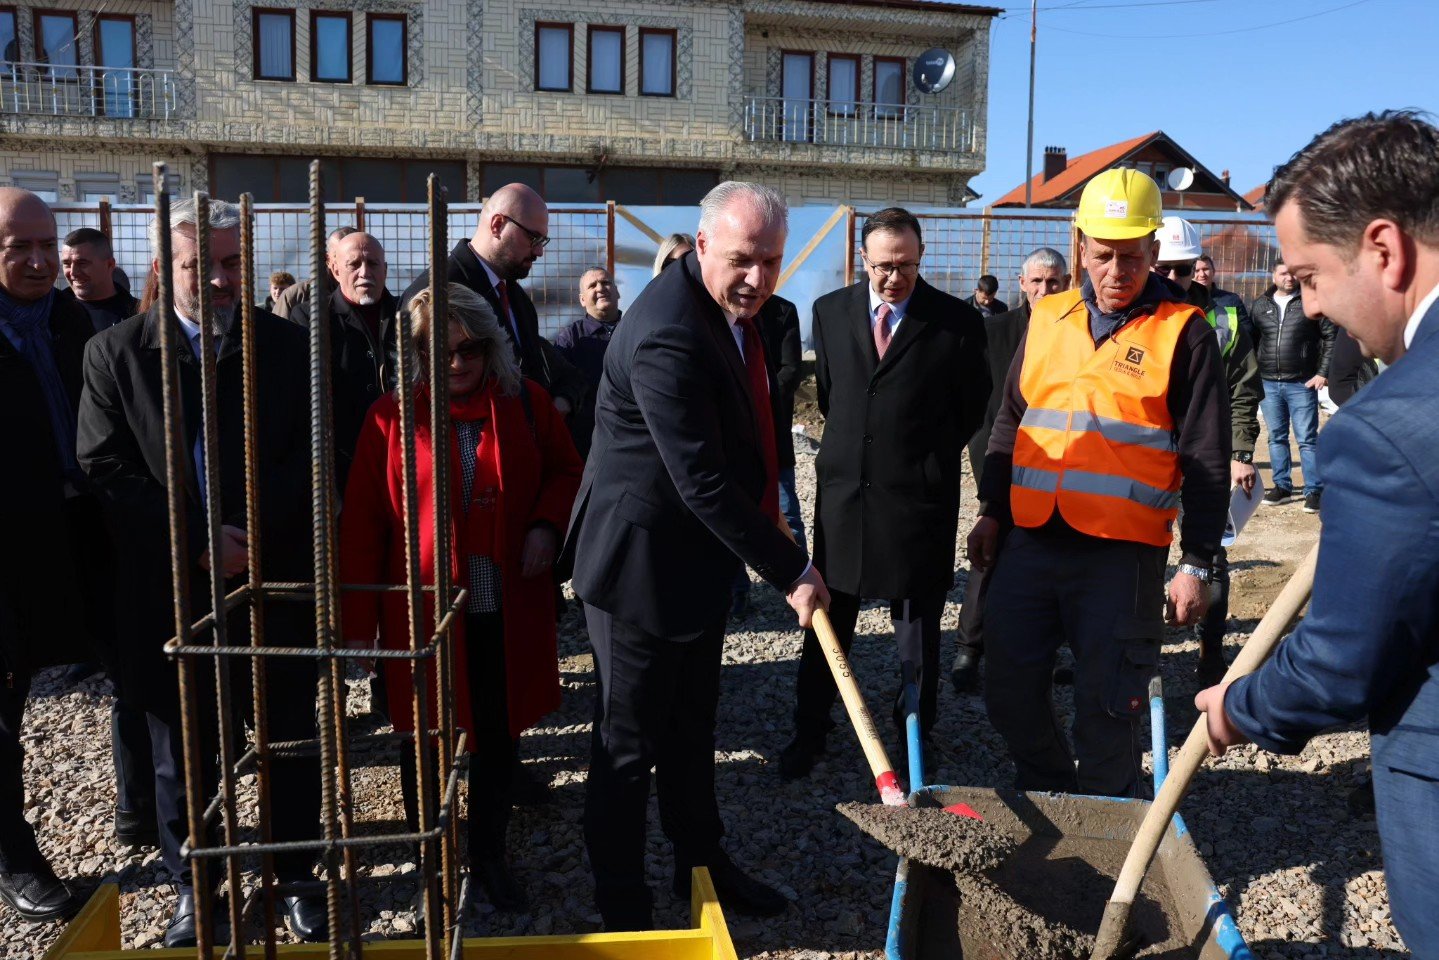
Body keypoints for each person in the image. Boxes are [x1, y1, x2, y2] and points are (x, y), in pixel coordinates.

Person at [1194, 110, 1439, 958]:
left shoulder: (1389, 427)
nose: (1307, 304)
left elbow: (1340, 663)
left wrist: (1242, 706)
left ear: (1383, 249)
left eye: (1306, 275)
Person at [562, 181, 827, 931]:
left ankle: (700, 866)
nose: (759, 277)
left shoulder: (732, 310)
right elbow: (700, 479)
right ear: (702, 244)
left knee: (691, 727)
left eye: (772, 261)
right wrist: (790, 568)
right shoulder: (668, 331)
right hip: (638, 564)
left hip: (696, 559)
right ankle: (621, 905)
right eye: (743, 259)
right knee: (627, 742)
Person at [77, 197, 327, 946]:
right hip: (170, 585)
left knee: (286, 734)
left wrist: (249, 532)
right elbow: (105, 465)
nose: (219, 280)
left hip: (272, 575)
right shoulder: (116, 353)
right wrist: (193, 540)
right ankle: (198, 883)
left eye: (231, 263)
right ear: (163, 268)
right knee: (182, 746)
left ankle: (294, 874)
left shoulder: (285, 347)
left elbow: (316, 451)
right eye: (200, 266)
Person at [969, 168, 1230, 799]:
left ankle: (1108, 825)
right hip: (1030, 539)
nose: (1117, 271)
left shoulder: (1183, 332)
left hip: (1121, 555)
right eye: (1105, 255)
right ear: (1081, 243)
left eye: (1133, 257)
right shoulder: (1048, 316)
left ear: (1153, 251)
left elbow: (1205, 454)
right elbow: (1012, 420)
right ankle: (1051, 789)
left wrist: (1196, 560)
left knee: (1109, 707)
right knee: (1006, 687)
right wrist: (991, 511)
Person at [341, 283, 581, 912]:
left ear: (490, 346)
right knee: (423, 738)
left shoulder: (525, 403)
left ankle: (490, 855)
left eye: (470, 348)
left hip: (502, 606)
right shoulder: (389, 418)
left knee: (497, 737)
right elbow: (365, 521)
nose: (457, 362)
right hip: (421, 611)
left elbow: (567, 470)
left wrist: (544, 526)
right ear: (415, 353)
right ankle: (432, 857)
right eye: (437, 350)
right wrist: (357, 624)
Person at [781, 207, 988, 778]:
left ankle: (917, 735)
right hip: (845, 498)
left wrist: (919, 455)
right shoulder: (829, 313)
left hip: (917, 501)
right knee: (827, 619)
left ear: (919, 260)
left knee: (917, 634)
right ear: (863, 261)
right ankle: (810, 729)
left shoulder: (956, 322)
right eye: (883, 266)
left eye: (906, 265)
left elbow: (971, 406)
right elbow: (831, 396)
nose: (894, 277)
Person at [0, 188, 101, 923]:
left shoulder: (74, 323)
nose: (40, 262)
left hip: (74, 536)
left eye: (46, 246)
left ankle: (151, 822)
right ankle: (15, 857)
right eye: (18, 249)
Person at [953, 246, 1070, 694]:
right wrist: (985, 461)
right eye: (1037, 282)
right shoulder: (994, 332)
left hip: (1059, 463)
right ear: (1021, 284)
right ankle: (969, 649)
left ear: (1066, 284)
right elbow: (977, 403)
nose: (1045, 290)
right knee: (990, 547)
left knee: (1054, 557)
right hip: (999, 457)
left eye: (1054, 282)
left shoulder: (1078, 331)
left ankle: (1052, 650)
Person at [1153, 217, 1263, 684]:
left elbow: (1243, 386)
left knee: (1209, 557)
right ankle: (1133, 654)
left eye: (1183, 269)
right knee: (1139, 556)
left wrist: (1240, 451)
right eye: (1165, 269)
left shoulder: (1225, 314)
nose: (1175, 280)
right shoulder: (1135, 310)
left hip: (1206, 458)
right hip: (1147, 458)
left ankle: (1210, 654)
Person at [403, 183, 587, 419]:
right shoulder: (435, 294)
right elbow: (417, 395)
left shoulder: (515, 296)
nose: (539, 252)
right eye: (533, 238)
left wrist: (559, 402)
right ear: (498, 224)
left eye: (543, 241)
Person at [287, 231, 398, 487]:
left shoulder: (408, 314)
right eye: (354, 264)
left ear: (385, 269)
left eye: (372, 263)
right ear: (335, 270)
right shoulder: (311, 319)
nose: (364, 272)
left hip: (401, 457)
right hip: (339, 469)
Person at [730, 288, 805, 619]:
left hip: (773, 428)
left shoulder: (782, 311)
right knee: (732, 513)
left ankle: (799, 579)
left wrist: (758, 394)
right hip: (734, 431)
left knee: (786, 511)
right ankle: (737, 591)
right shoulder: (725, 309)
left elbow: (791, 369)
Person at [1250, 260, 1336, 513]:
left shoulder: (1310, 303)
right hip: (1268, 383)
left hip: (1301, 382)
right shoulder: (1260, 305)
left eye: (1293, 273)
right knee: (1276, 437)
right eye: (1283, 273)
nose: (1289, 277)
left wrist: (1322, 372)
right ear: (1273, 275)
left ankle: (1313, 490)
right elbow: (1253, 342)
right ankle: (1282, 487)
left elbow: (1330, 336)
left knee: (1307, 439)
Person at [553, 267, 621, 459]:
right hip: (587, 445)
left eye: (606, 282)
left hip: (632, 438)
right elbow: (561, 385)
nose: (600, 288)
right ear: (582, 299)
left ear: (617, 291)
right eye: (592, 285)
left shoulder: (634, 328)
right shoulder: (570, 339)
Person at [59, 228, 137, 333]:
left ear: (109, 265)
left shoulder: (137, 315)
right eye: (67, 264)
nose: (73, 272)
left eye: (82, 263)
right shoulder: (50, 311)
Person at [272, 226, 357, 317]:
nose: (347, 260)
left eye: (354, 255)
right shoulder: (297, 296)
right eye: (339, 255)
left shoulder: (370, 294)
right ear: (328, 259)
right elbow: (278, 330)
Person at [1193, 254, 1255, 345]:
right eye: (1197, 270)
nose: (1202, 274)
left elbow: (1247, 331)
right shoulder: (1184, 300)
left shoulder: (1231, 300)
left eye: (1206, 269)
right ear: (1190, 273)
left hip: (1226, 357)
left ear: (1213, 272)